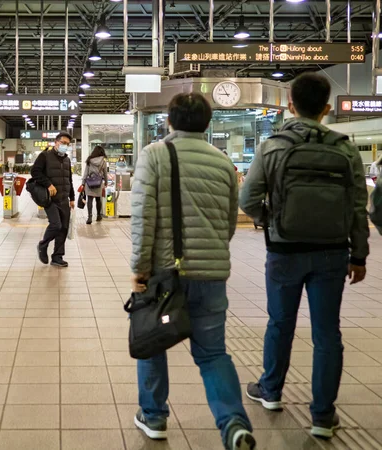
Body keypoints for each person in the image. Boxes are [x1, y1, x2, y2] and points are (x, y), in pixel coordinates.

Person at [239, 72, 369, 439]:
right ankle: (323, 416)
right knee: (328, 332)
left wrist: (271, 220)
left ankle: (271, 391)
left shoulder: (273, 146)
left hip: (284, 249)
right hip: (331, 252)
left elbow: (247, 200)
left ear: (290, 106)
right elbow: (358, 207)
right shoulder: (344, 148)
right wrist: (358, 255)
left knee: (280, 323)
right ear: (327, 108)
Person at [131, 93, 255, 450]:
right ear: (207, 123)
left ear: (169, 121)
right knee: (213, 353)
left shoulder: (154, 155)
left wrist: (139, 269)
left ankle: (154, 417)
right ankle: (233, 424)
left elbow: (143, 219)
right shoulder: (222, 163)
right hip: (212, 275)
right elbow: (230, 222)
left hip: (165, 274)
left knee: (153, 343)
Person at [31, 132, 75, 268]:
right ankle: (43, 245)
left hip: (64, 198)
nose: (65, 146)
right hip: (50, 199)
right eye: (63, 143)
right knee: (56, 225)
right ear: (56, 142)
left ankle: (57, 257)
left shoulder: (67, 160)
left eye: (67, 144)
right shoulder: (45, 156)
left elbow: (69, 180)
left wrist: (72, 198)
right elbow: (35, 172)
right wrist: (48, 184)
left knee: (64, 228)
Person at [82, 145, 109, 224]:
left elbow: (86, 173)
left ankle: (89, 217)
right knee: (98, 199)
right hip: (99, 183)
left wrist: (83, 183)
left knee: (89, 199)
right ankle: (98, 216)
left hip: (89, 182)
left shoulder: (89, 160)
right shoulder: (103, 162)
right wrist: (106, 183)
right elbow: (105, 174)